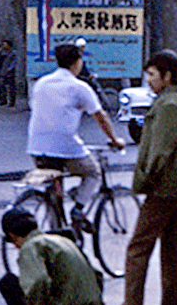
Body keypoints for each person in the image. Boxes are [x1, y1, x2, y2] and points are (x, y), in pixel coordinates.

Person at [103, 50, 177, 305]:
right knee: (170, 246)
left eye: (152, 75)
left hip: (164, 188)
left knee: (138, 248)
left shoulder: (168, 105)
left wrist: (145, 179)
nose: (148, 80)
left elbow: (160, 150)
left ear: (167, 76)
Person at [26, 43, 126, 232]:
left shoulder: (41, 84)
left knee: (54, 190)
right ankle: (78, 209)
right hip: (64, 147)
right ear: (77, 62)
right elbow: (101, 117)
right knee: (93, 172)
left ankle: (57, 229)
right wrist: (115, 140)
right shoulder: (79, 87)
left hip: (36, 146)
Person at [0, 207, 104, 305]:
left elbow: (38, 282)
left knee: (9, 282)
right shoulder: (63, 240)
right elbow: (97, 275)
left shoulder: (30, 247)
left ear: (12, 235)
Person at [0, 39, 18, 107]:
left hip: (10, 73)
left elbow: (14, 61)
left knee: (11, 87)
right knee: (2, 86)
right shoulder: (2, 53)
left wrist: (10, 68)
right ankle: (3, 100)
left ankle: (12, 101)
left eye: (5, 44)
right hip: (2, 71)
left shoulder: (13, 53)